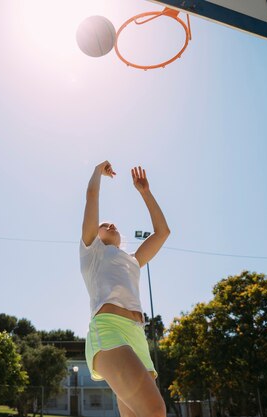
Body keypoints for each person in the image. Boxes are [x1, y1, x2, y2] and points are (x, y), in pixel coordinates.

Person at [80, 160, 170, 417]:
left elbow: (162, 232)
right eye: (103, 225)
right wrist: (97, 171)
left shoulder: (132, 260)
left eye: (113, 224)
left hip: (137, 336)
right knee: (155, 411)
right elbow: (92, 196)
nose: (110, 225)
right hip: (109, 330)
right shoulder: (92, 253)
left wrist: (145, 192)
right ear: (95, 236)